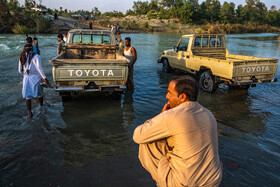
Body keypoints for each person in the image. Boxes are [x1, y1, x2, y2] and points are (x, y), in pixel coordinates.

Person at [133, 76, 223, 187]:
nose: (166, 96)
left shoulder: (172, 116)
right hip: (213, 180)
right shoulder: (208, 113)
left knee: (147, 141)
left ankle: (162, 181)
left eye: (170, 93)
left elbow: (137, 135)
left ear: (182, 97)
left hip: (183, 183)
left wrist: (162, 115)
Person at [18, 44, 49, 118]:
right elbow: (39, 67)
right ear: (32, 49)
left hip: (26, 78)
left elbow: (19, 70)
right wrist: (44, 77)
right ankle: (41, 106)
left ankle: (29, 112)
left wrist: (24, 74)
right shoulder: (36, 56)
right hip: (36, 78)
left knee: (28, 96)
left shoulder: (22, 56)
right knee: (39, 93)